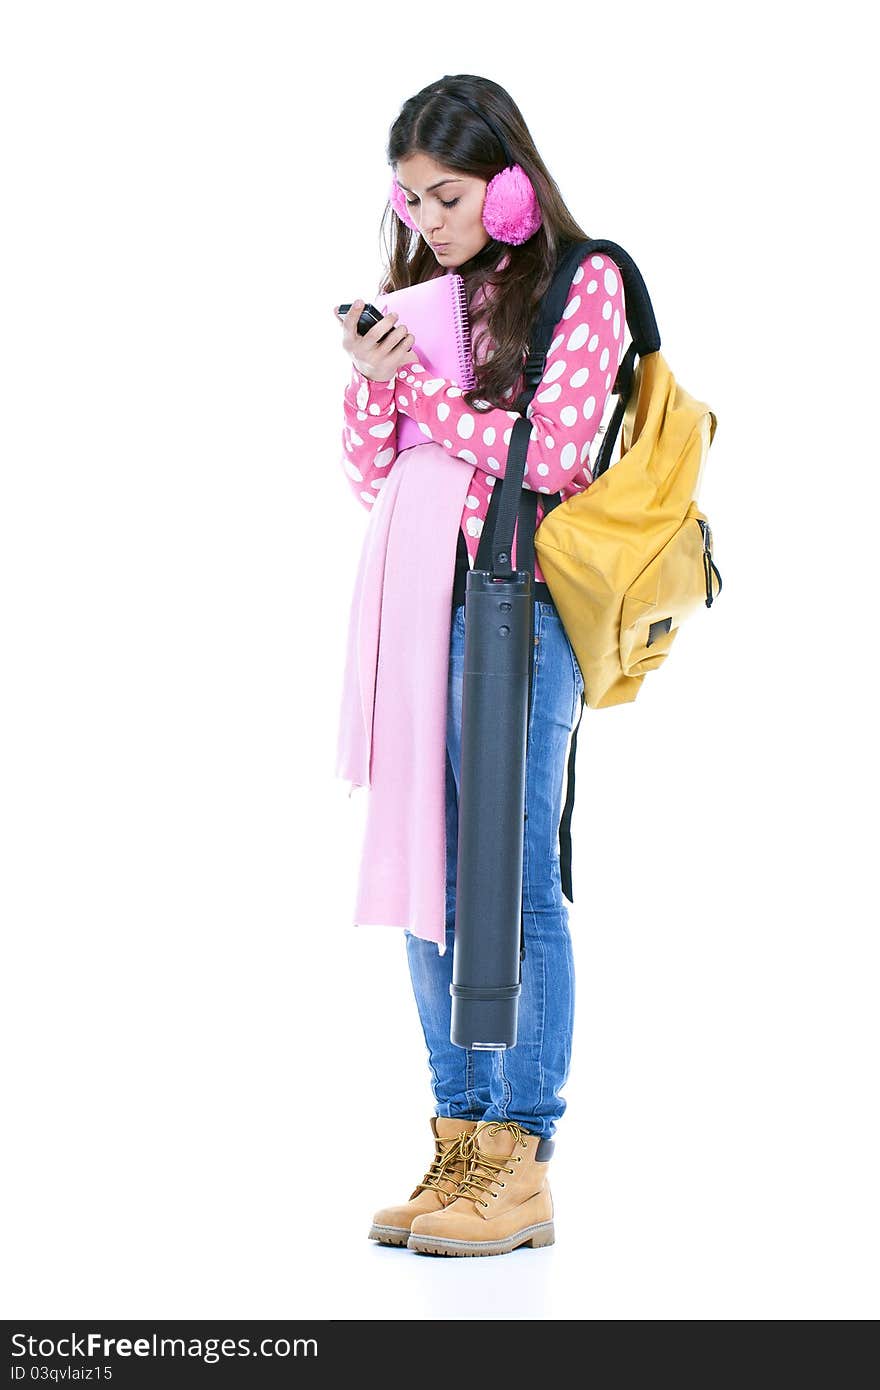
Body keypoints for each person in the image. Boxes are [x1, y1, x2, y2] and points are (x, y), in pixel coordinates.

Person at [333, 74, 627, 1258]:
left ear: (506, 177)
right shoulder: (434, 300)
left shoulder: (583, 280)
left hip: (522, 604)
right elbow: (374, 477)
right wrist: (374, 388)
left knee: (508, 872)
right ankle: (459, 1140)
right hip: (419, 609)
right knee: (426, 869)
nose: (425, 221)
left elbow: (549, 456)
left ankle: (520, 1155)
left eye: (444, 195)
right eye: (408, 200)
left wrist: (422, 394)